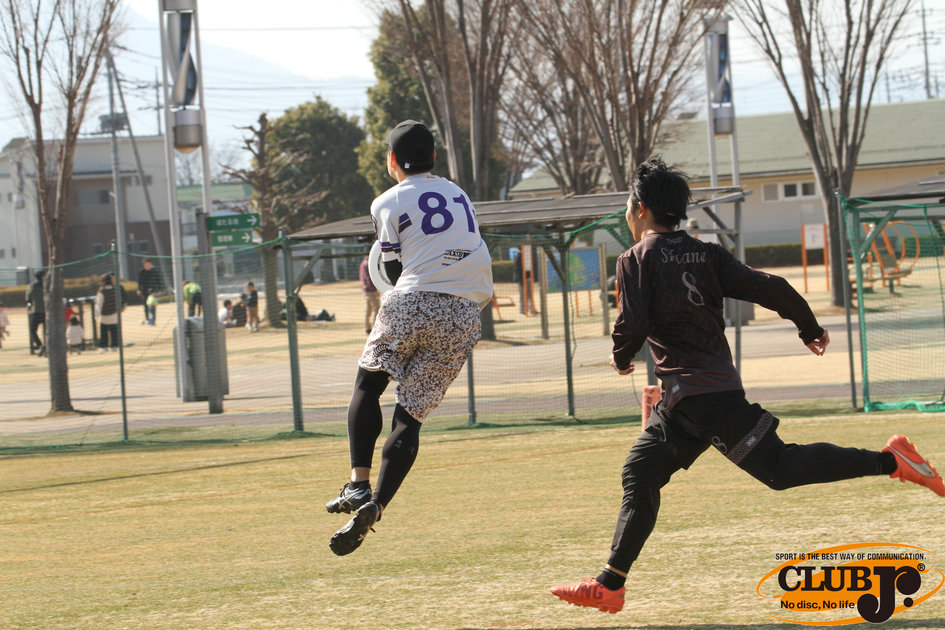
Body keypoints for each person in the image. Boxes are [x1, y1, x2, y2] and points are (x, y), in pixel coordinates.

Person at [549, 156, 945, 615]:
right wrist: (808, 326)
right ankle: (610, 585)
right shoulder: (708, 253)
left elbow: (631, 322)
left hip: (707, 401)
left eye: (627, 207)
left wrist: (620, 359)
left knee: (780, 469)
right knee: (640, 473)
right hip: (683, 403)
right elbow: (768, 285)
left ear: (639, 208)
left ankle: (892, 461)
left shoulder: (634, 258)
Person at [325, 120, 494, 556]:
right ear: (434, 157)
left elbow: (391, 268)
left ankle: (359, 484)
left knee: (369, 384)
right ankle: (378, 504)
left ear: (392, 160)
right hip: (465, 311)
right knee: (410, 417)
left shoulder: (386, 201)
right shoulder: (459, 194)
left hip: (414, 298)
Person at [95, 274, 126, 352]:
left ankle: (104, 346)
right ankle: (114, 346)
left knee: (104, 332)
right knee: (114, 331)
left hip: (104, 316)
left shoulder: (101, 292)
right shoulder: (116, 290)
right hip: (114, 315)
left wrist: (96, 316)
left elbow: (99, 305)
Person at [26, 270, 46, 355]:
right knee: (48, 330)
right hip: (47, 312)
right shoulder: (47, 285)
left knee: (32, 330)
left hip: (36, 311)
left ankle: (39, 345)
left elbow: (28, 298)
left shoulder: (32, 286)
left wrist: (29, 304)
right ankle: (47, 345)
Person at [359, 256, 380, 334]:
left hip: (365, 289)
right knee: (377, 308)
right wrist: (375, 290)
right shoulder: (368, 264)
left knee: (368, 309)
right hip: (371, 290)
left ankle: (367, 328)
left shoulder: (362, 263)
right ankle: (375, 328)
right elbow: (369, 279)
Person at [136, 258, 162, 324]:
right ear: (144, 264)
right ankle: (147, 318)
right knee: (145, 304)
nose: (147, 264)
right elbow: (139, 282)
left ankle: (153, 319)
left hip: (153, 290)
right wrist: (139, 289)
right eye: (146, 263)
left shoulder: (154, 271)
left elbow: (158, 280)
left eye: (149, 263)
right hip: (144, 290)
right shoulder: (141, 272)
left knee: (153, 304)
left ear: (151, 263)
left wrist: (159, 289)